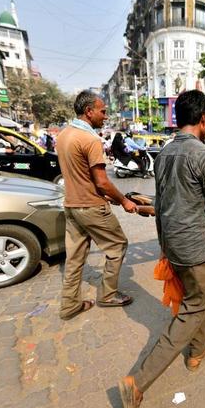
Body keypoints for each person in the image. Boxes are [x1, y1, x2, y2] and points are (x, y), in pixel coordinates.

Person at [118, 90, 205, 408]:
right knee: (193, 309)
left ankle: (197, 350)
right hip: (193, 249)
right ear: (204, 118)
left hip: (173, 246)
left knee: (196, 300)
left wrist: (165, 246)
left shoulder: (164, 153)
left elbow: (163, 204)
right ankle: (136, 382)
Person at [55, 90, 138, 320]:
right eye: (102, 111)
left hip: (72, 205)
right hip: (91, 207)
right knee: (118, 246)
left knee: (74, 258)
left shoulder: (63, 135)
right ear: (89, 111)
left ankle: (69, 305)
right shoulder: (90, 140)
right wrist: (124, 201)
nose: (105, 116)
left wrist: (112, 196)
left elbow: (81, 176)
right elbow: (101, 181)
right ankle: (108, 295)